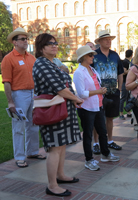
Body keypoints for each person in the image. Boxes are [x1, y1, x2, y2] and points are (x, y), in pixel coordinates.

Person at [32, 33, 83, 197]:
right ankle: (52, 185)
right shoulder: (41, 64)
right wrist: (77, 99)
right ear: (41, 47)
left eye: (55, 43)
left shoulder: (51, 63)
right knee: (54, 148)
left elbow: (65, 84)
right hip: (52, 111)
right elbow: (59, 88)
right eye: (50, 43)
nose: (55, 45)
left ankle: (60, 176)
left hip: (61, 109)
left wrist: (73, 98)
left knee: (61, 146)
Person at [1, 27, 46, 169]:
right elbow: (6, 81)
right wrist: (10, 101)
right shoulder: (8, 59)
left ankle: (32, 152)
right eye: (22, 39)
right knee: (19, 127)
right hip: (18, 94)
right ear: (14, 42)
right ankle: (20, 157)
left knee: (33, 124)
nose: (25, 41)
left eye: (26, 39)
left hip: (33, 93)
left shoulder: (31, 57)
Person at [73, 46, 120, 171]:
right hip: (86, 108)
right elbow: (81, 93)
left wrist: (101, 91)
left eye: (92, 55)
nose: (93, 57)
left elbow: (96, 85)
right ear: (83, 58)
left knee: (102, 132)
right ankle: (89, 160)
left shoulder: (92, 70)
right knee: (88, 135)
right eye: (90, 55)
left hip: (98, 105)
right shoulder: (79, 73)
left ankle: (105, 154)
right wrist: (98, 91)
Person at [93, 30, 124, 150]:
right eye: (106, 39)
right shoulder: (94, 55)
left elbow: (120, 72)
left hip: (112, 92)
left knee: (110, 118)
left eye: (110, 39)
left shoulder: (115, 55)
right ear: (100, 41)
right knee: (97, 118)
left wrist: (120, 88)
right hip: (98, 93)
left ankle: (110, 140)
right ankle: (96, 143)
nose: (108, 41)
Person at [86, 41, 101, 155]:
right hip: (88, 101)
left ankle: (100, 143)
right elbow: (81, 92)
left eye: (92, 48)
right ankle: (94, 144)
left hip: (99, 99)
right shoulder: (83, 69)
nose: (91, 51)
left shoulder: (95, 65)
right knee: (90, 127)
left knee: (100, 124)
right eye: (88, 49)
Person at [119, 49, 133, 120]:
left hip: (128, 82)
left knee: (128, 98)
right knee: (123, 98)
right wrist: (130, 70)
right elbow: (124, 72)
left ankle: (128, 112)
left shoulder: (127, 62)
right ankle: (121, 113)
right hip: (124, 82)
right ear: (131, 55)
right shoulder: (125, 62)